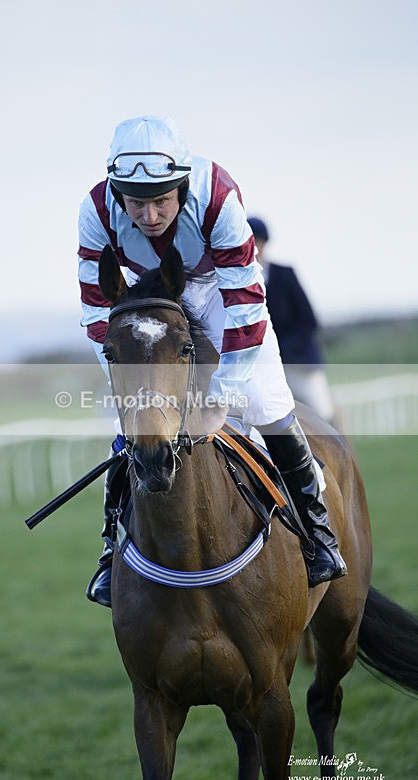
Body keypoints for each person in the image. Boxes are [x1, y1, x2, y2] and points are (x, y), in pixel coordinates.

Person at [78, 116, 347, 606]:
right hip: (154, 302)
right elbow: (97, 310)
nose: (150, 215)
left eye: (161, 200)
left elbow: (245, 305)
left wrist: (221, 394)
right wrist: (128, 385)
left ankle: (318, 535)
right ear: (118, 195)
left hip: (228, 293)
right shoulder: (95, 208)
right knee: (131, 417)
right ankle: (108, 552)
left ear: (182, 187)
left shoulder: (218, 195)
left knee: (266, 401)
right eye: (136, 202)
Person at [247, 217, 336, 424]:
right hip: (258, 367)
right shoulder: (237, 281)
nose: (254, 249)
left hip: (295, 362)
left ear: (264, 243)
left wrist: (278, 349)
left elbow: (309, 321)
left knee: (321, 411)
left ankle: (339, 449)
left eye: (257, 243)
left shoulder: (285, 275)